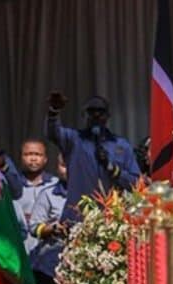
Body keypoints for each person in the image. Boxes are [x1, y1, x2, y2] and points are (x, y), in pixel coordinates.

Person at [46, 92, 140, 222]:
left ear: (108, 116)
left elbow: (135, 183)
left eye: (100, 112)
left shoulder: (121, 145)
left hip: (110, 219)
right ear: (84, 115)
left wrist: (113, 169)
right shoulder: (73, 139)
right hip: (77, 218)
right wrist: (53, 112)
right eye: (91, 111)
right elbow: (53, 134)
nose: (96, 115)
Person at [28, 155, 69, 284]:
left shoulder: (91, 192)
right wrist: (52, 228)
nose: (68, 170)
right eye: (63, 165)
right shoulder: (48, 194)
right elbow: (34, 227)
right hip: (50, 267)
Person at [13, 139, 59, 253]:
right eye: (28, 154)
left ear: (45, 159)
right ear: (21, 158)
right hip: (20, 247)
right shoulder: (13, 185)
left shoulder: (55, 185)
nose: (33, 158)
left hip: (47, 249)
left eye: (38, 154)